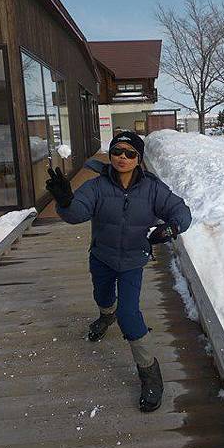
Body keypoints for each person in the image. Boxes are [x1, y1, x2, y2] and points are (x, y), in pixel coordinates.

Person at [46, 131, 191, 412]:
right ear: (110, 155)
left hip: (133, 261)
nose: (122, 158)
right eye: (117, 152)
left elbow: (180, 210)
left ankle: (150, 374)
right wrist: (64, 202)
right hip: (101, 256)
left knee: (129, 313)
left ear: (139, 158)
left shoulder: (153, 189)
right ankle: (105, 316)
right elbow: (77, 214)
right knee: (102, 296)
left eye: (130, 153)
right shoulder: (97, 186)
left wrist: (172, 227)